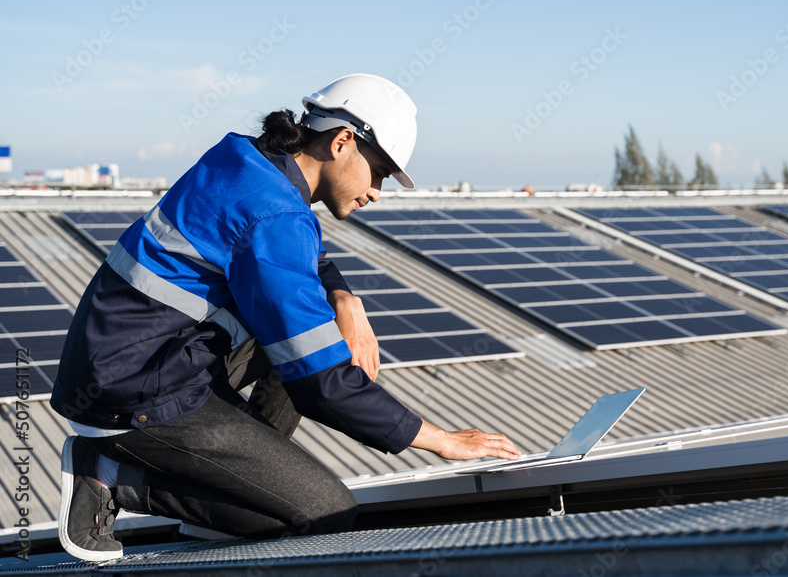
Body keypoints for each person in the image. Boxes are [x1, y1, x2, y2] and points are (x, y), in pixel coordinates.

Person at [50, 73, 521, 561]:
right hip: (135, 390)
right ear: (342, 142)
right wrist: (441, 440)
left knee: (307, 331)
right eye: (378, 172)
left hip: (136, 356)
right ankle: (109, 479)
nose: (378, 191)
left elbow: (293, 250)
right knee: (325, 514)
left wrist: (344, 298)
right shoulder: (275, 216)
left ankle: (244, 489)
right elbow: (323, 383)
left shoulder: (246, 159)